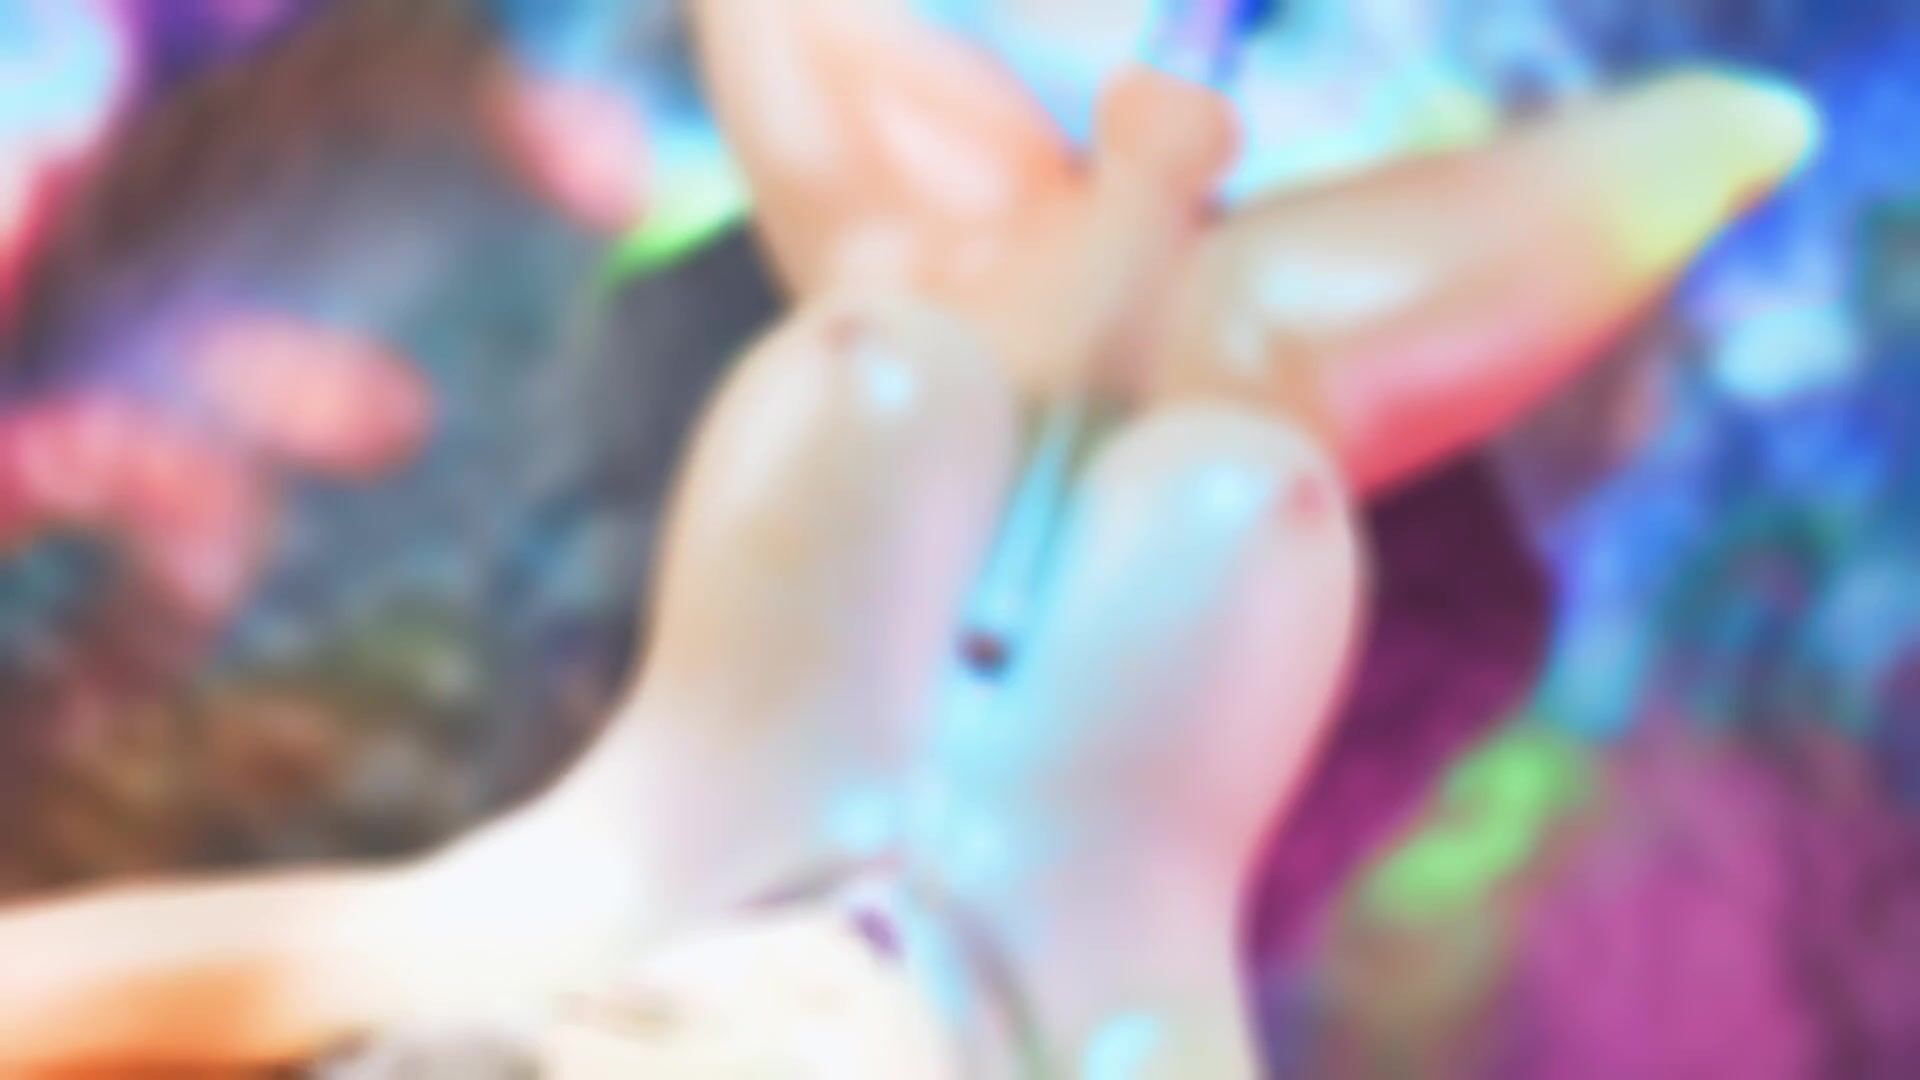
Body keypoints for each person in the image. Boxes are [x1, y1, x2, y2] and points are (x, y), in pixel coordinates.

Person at [0, 1, 1817, 1074]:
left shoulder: (548, 914)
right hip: (1395, 244)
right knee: (1725, 137)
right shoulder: (1113, 1028)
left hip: (956, 212)